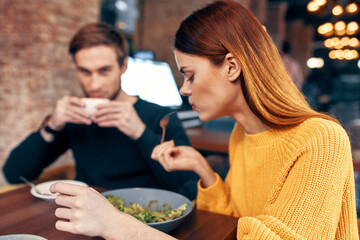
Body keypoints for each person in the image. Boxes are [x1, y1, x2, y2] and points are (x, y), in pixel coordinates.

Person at [49, 1, 359, 239]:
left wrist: (119, 225)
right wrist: (202, 166)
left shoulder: (320, 139)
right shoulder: (242, 134)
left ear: (231, 67)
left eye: (190, 75)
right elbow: (236, 222)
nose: (184, 89)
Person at [2, 22, 198, 200]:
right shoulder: (78, 118)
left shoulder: (160, 117)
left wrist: (140, 133)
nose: (94, 85)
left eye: (104, 70)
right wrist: (51, 126)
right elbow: (14, 174)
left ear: (123, 66)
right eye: (85, 71)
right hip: (85, 218)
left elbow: (188, 188)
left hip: (143, 219)